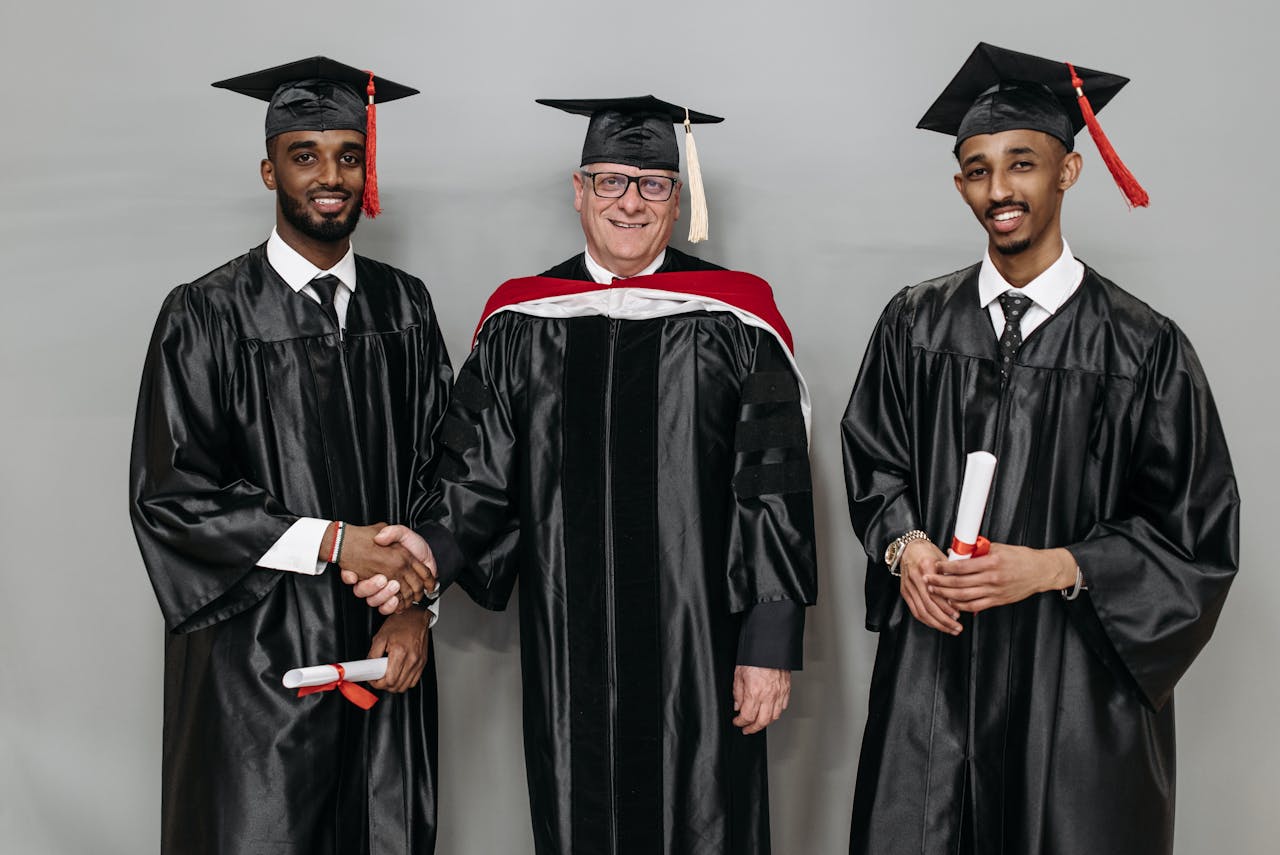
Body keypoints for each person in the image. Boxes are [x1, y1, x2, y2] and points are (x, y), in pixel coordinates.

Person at [368, 95, 817, 855]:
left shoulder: (737, 323)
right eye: (610, 181)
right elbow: (475, 476)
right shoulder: (522, 325)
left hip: (699, 646)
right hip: (570, 647)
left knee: (707, 821)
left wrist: (768, 642)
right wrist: (421, 558)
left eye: (652, 185)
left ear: (678, 200)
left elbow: (770, 487)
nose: (630, 203)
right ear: (578, 191)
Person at [841, 43, 1239, 855]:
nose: (999, 190)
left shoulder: (1142, 347)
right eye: (978, 169)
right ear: (961, 185)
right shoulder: (915, 325)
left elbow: (1197, 537)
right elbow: (874, 462)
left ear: (1069, 171)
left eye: (1022, 163)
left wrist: (1060, 566)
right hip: (935, 682)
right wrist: (907, 546)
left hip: (1075, 698)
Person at [129, 56, 451, 855]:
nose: (330, 175)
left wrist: (419, 607)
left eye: (348, 154)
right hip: (255, 675)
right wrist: (338, 540)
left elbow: (447, 474)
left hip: (387, 659)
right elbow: (172, 492)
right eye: (305, 155)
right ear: (270, 167)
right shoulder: (203, 314)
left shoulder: (404, 307)